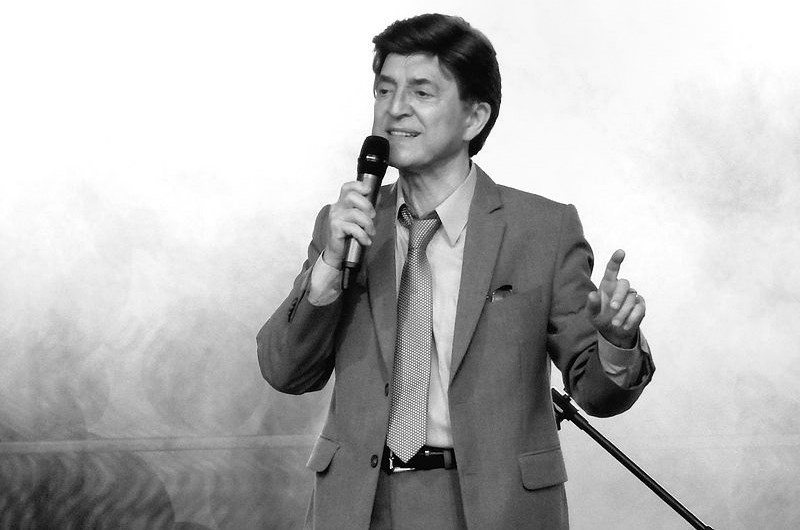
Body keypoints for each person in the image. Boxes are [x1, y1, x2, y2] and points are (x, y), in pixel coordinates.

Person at [257, 13, 654, 530]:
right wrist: (329, 269)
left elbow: (597, 392)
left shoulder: (543, 229)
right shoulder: (347, 225)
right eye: (384, 90)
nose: (395, 108)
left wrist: (617, 343)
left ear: (474, 118)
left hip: (493, 508)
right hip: (359, 507)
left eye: (421, 92)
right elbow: (285, 371)